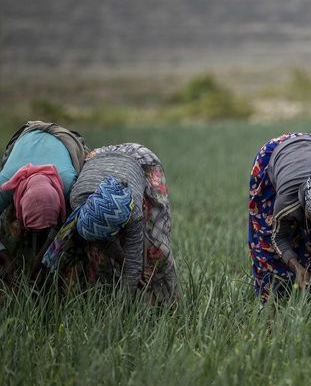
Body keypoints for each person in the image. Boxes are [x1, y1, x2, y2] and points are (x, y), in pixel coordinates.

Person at [41, 143, 179, 305]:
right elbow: (101, 238)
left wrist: (124, 309)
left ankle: (169, 305)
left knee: (156, 244)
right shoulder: (77, 199)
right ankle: (102, 296)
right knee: (94, 249)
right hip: (97, 156)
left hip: (140, 159)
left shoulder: (133, 212)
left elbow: (133, 262)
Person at [248, 133, 311, 301]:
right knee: (265, 239)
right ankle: (271, 306)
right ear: (303, 201)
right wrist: (296, 267)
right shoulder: (288, 201)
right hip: (272, 155)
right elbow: (278, 237)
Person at [0, 121, 88, 284]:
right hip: (27, 136)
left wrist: (43, 256)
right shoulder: (6, 181)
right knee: (9, 226)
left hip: (62, 139)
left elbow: (64, 225)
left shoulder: (68, 184)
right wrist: (5, 258)